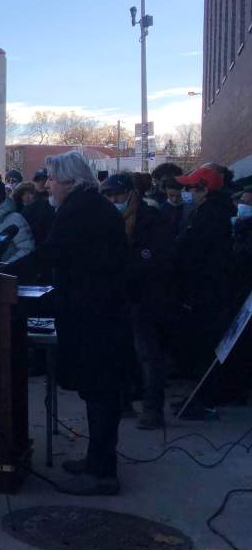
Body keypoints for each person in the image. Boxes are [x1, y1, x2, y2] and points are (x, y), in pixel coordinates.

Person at [41, 151, 129, 495]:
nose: (47, 184)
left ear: (69, 180)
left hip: (95, 317)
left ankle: (102, 473)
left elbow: (54, 253)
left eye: (51, 178)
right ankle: (96, 462)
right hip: (99, 312)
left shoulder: (79, 210)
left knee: (101, 392)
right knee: (98, 392)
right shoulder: (89, 206)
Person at [99, 174, 174, 430]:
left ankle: (152, 408)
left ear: (131, 193)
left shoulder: (151, 218)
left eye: (116, 195)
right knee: (119, 352)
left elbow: (158, 256)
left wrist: (131, 268)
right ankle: (124, 400)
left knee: (148, 355)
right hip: (119, 296)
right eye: (108, 196)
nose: (113, 200)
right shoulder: (109, 221)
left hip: (145, 296)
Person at [172, 166, 237, 396]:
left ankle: (207, 396)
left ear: (204, 189)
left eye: (190, 187)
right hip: (205, 288)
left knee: (206, 344)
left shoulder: (211, 216)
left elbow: (195, 251)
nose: (186, 191)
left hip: (207, 290)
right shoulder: (206, 212)